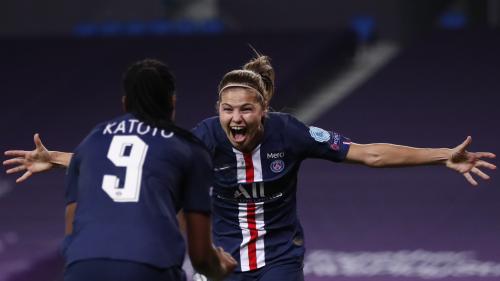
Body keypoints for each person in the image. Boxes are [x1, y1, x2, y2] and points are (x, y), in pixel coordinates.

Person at [4, 54, 496, 281]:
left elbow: (370, 153)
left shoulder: (292, 132)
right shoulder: (201, 138)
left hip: (280, 259)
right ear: (218, 110)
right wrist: (58, 159)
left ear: (262, 109)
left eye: (245, 109)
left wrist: (440, 155)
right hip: (223, 261)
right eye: (227, 109)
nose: (236, 118)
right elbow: (135, 161)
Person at [4, 58, 237, 281]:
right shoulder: (189, 148)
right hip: (148, 269)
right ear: (172, 101)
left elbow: (70, 236)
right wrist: (218, 270)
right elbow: (200, 257)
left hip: (83, 269)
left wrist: (55, 158)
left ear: (125, 103)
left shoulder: (92, 141)